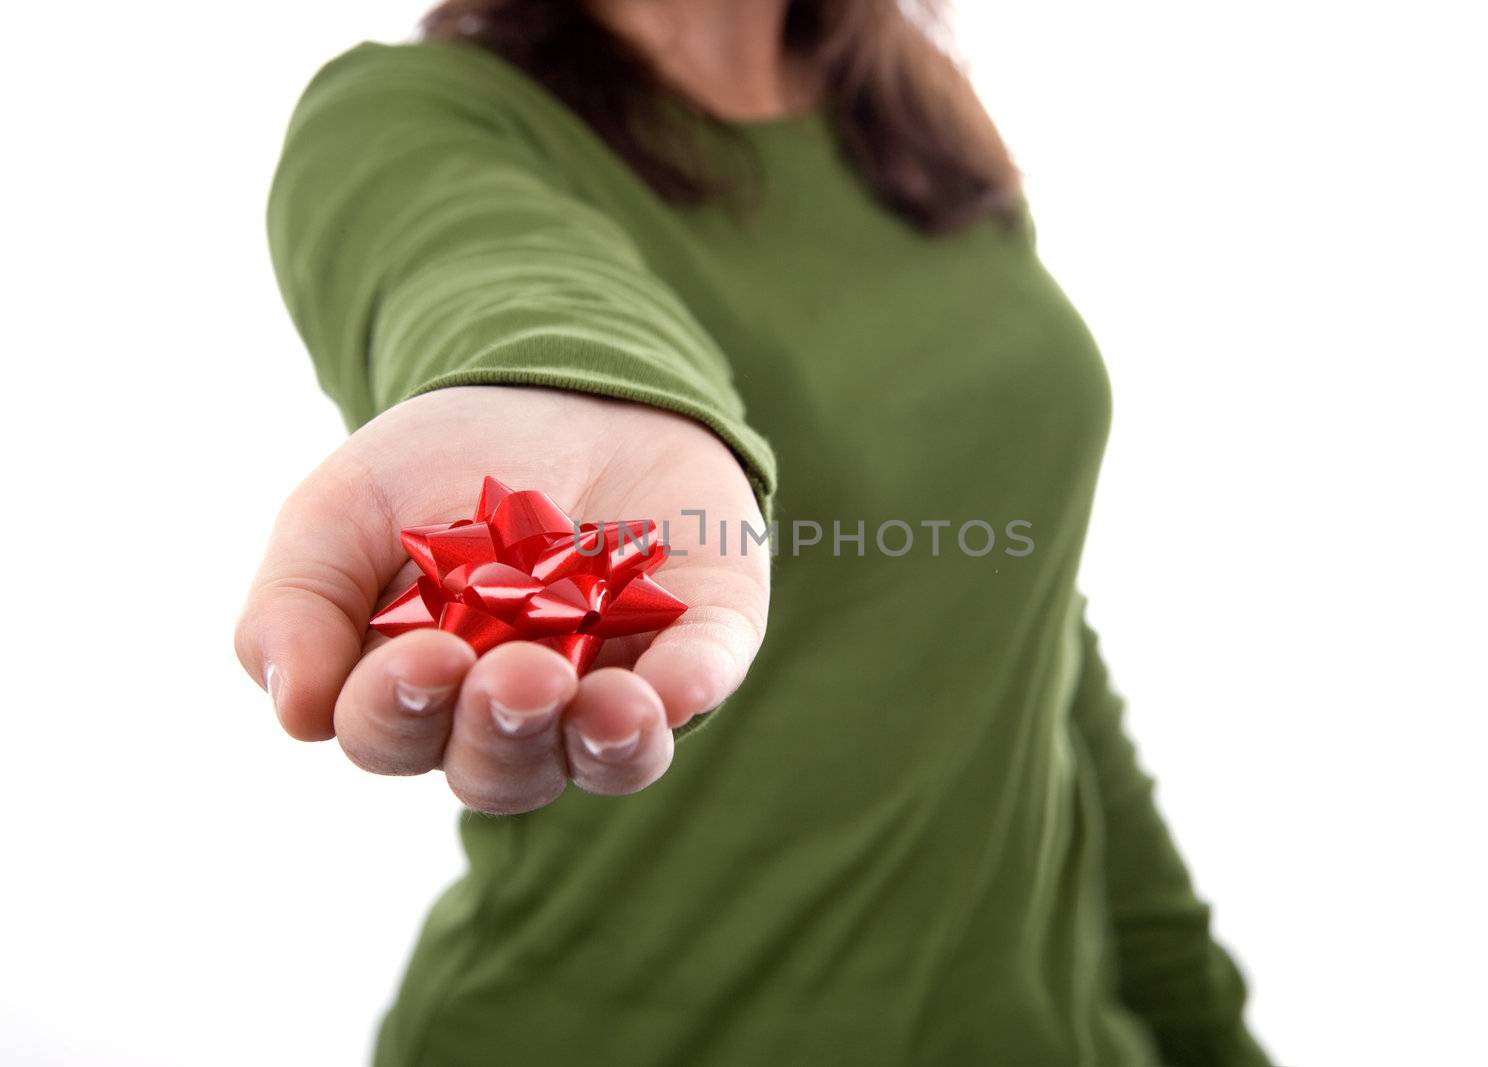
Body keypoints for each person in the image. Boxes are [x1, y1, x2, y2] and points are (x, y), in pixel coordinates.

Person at [235, 1, 1272, 1063]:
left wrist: (1204, 1025)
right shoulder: (409, 114)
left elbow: (1032, 643)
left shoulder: (911, 110)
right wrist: (590, 385)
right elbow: (483, 259)